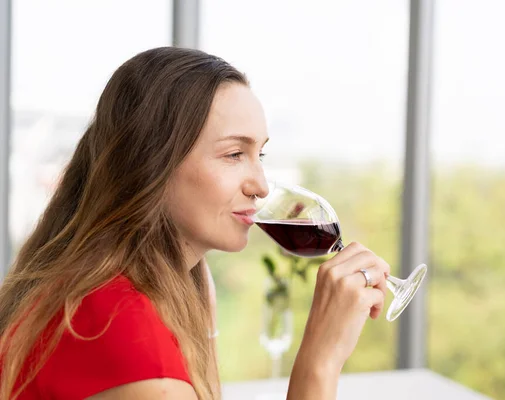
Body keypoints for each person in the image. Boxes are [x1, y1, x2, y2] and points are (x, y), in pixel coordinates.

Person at [0, 47, 390, 400]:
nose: (260, 185)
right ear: (151, 165)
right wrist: (321, 361)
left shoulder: (135, 290)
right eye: (234, 154)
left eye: (261, 155)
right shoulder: (126, 338)